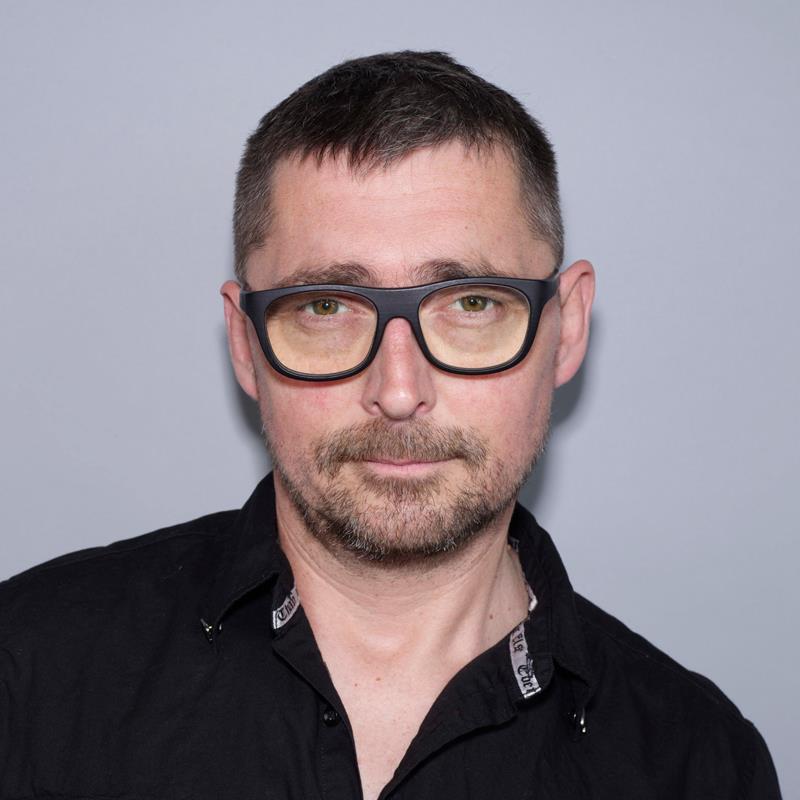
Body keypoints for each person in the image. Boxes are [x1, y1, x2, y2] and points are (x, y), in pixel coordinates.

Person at [0, 50, 782, 800]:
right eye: (326, 307)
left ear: (568, 327)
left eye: (471, 303)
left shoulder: (699, 765)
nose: (399, 391)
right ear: (244, 342)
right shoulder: (26, 671)